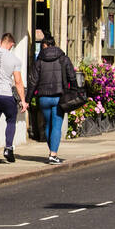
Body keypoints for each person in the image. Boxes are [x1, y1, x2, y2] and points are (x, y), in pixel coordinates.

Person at [27, 33, 74, 164]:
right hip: (59, 97)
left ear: (45, 45)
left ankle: (52, 151)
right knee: (56, 127)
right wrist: (75, 91)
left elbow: (32, 82)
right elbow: (72, 76)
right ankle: (53, 154)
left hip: (43, 97)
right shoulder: (64, 59)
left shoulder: (39, 61)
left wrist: (27, 99)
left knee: (48, 124)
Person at [0, 33, 25, 164]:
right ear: (11, 44)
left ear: (0, 41)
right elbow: (18, 82)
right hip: (6, 94)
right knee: (11, 120)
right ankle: (8, 148)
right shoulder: (14, 59)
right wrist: (23, 101)